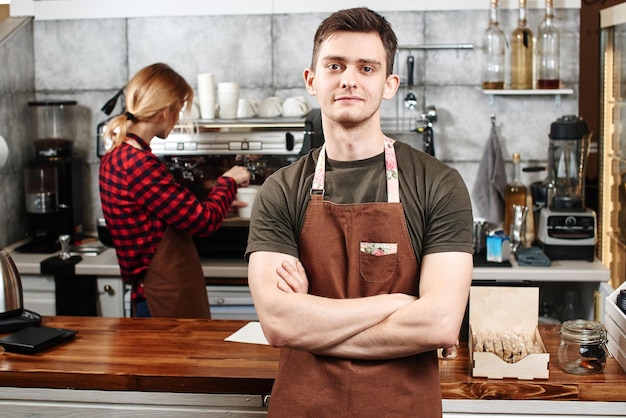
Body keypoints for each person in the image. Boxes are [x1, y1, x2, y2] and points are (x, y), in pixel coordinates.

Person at [246, 8, 473, 417]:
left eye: (366, 67)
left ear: (389, 85)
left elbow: (439, 323)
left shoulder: (438, 183)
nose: (349, 78)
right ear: (312, 80)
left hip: (402, 408)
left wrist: (311, 322)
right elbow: (279, 324)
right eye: (335, 65)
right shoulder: (281, 189)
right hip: (304, 406)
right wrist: (400, 303)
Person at [99, 63, 250, 318]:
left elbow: (161, 211)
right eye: (179, 109)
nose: (178, 117)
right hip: (162, 299)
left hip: (149, 294)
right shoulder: (139, 164)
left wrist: (214, 199)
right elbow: (204, 222)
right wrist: (229, 181)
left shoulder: (117, 155)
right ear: (164, 110)